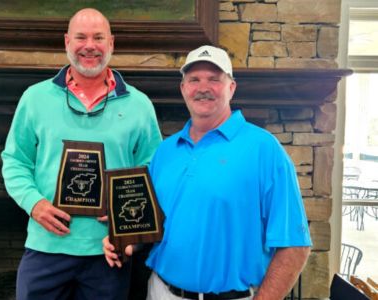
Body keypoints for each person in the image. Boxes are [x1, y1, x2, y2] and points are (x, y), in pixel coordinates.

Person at [103, 45, 312, 300]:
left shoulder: (265, 150)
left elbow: (295, 245)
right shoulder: (165, 152)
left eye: (214, 79)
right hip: (160, 292)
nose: (203, 87)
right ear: (183, 89)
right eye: (194, 80)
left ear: (231, 87)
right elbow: (152, 226)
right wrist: (127, 241)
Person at [1, 8, 162, 300]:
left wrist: (124, 222)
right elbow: (15, 161)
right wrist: (34, 204)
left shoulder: (140, 105)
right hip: (45, 247)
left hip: (108, 251)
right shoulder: (34, 99)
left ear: (111, 43)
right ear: (66, 42)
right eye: (81, 37)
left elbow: (153, 169)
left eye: (98, 37)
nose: (90, 45)